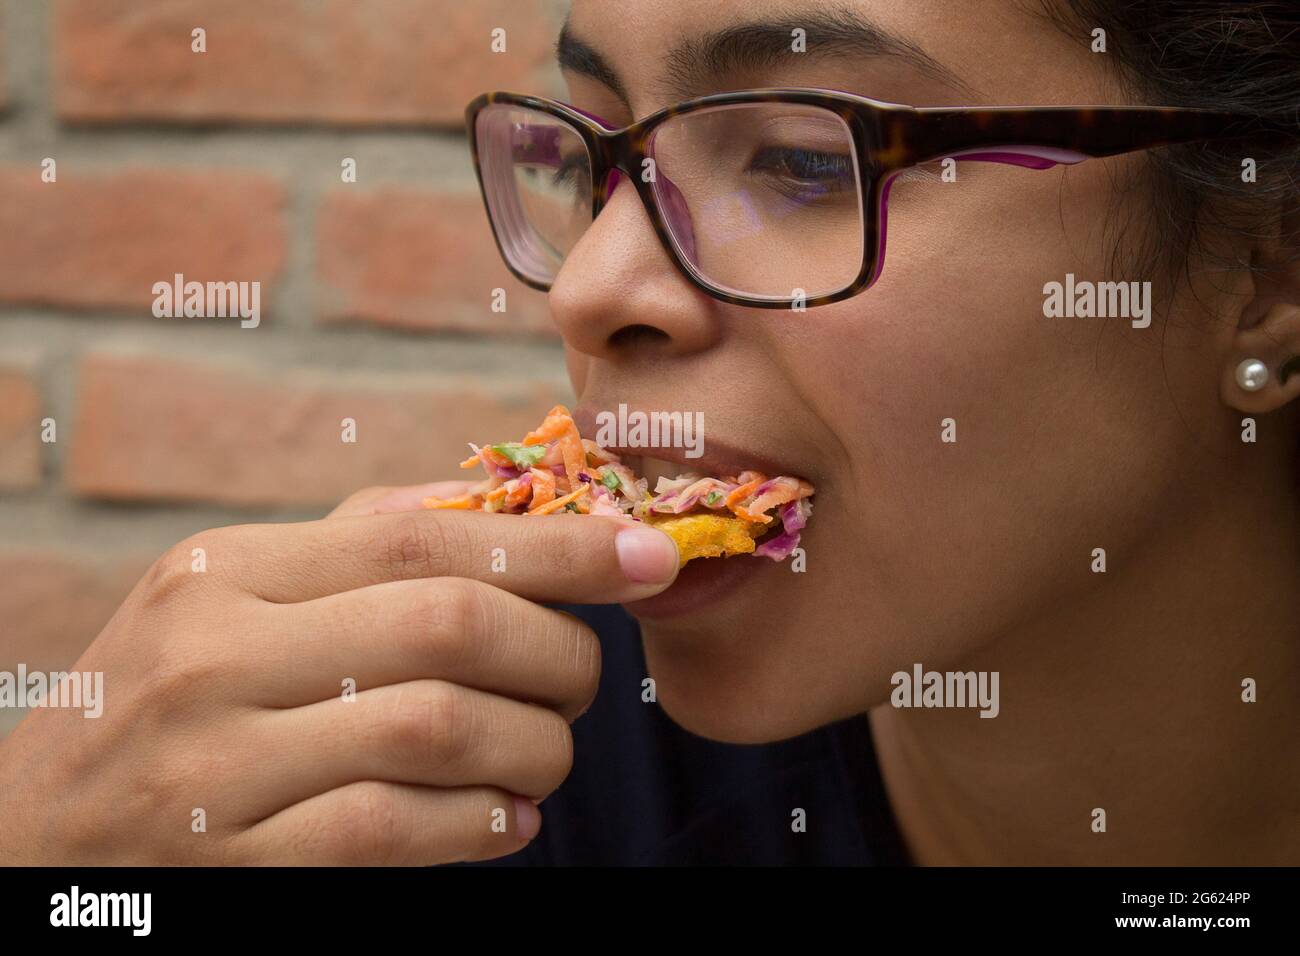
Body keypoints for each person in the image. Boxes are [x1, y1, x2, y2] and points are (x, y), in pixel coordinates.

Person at [2, 0, 1296, 865]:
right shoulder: (455, 787)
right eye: (588, 163)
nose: (590, 290)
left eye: (801, 161)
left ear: (1269, 266)